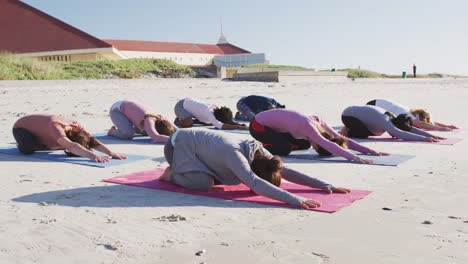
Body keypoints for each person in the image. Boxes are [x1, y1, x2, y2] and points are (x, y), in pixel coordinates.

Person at [160, 128, 351, 209]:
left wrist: (324, 185)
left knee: (222, 176)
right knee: (204, 184)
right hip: (176, 145)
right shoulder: (235, 154)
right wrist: (295, 200)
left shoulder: (259, 153)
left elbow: (285, 170)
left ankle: (192, 168)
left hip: (202, 149)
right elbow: (255, 182)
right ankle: (172, 173)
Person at [249, 109, 387, 164]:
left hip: (274, 127)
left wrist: (370, 151)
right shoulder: (310, 128)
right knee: (285, 148)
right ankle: (260, 146)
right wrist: (355, 158)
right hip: (258, 125)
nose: (314, 149)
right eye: (317, 149)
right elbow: (328, 144)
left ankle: (275, 142)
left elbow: (341, 139)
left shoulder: (320, 122)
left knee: (304, 144)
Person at [13, 114, 127, 162]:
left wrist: (110, 153)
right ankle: (32, 143)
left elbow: (92, 140)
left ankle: (43, 141)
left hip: (42, 129)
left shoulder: (76, 126)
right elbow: (72, 146)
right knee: (27, 150)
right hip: (21, 128)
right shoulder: (56, 127)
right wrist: (93, 156)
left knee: (59, 143)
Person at [340, 105, 445, 142]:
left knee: (377, 131)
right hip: (348, 115)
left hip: (357, 113)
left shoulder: (395, 117)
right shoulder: (386, 121)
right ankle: (346, 131)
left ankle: (349, 128)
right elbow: (401, 134)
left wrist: (432, 135)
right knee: (365, 135)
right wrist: (424, 139)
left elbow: (409, 129)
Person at [107, 100, 177, 143]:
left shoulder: (163, 118)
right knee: (128, 135)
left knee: (147, 132)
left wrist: (184, 137)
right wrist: (173, 140)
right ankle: (112, 132)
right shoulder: (149, 120)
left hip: (128, 109)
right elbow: (156, 137)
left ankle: (128, 127)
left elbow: (177, 129)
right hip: (117, 110)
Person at [366, 99, 458, 131]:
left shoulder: (411, 111)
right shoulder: (407, 114)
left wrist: (446, 125)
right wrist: (441, 129)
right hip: (373, 105)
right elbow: (421, 124)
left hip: (375, 103)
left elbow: (427, 123)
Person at [173, 97, 247, 130]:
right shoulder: (209, 114)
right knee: (189, 124)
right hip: (180, 107)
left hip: (188, 104)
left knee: (209, 122)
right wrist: (239, 127)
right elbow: (221, 125)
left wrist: (238, 124)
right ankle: (179, 121)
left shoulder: (216, 109)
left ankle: (191, 119)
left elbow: (227, 121)